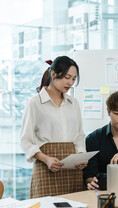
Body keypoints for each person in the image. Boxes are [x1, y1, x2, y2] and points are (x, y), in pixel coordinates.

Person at [20, 56, 87, 198]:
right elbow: (25, 141)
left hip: (72, 170)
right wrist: (46, 159)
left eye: (74, 79)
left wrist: (81, 155)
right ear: (53, 74)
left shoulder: (73, 103)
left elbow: (79, 135)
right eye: (67, 77)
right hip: (46, 167)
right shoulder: (35, 103)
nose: (70, 82)